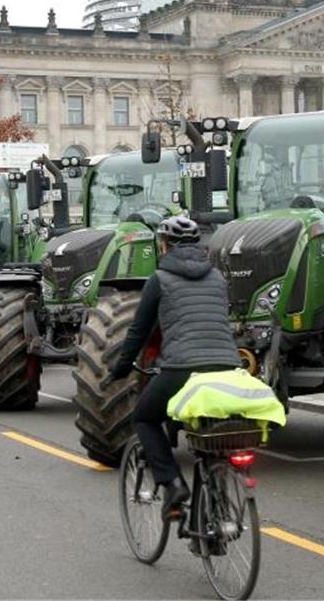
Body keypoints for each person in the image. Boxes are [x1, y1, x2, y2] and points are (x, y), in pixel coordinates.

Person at [110, 216, 240, 519]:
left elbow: (138, 332)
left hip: (182, 367)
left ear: (163, 245)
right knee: (210, 432)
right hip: (227, 367)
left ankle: (171, 484)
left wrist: (121, 366)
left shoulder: (160, 278)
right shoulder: (218, 277)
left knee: (145, 417)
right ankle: (216, 486)